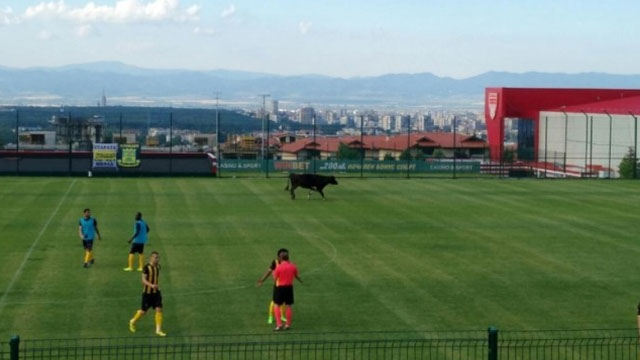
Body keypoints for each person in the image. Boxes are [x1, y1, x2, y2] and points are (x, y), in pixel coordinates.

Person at [128, 251, 166, 337]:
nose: (157, 259)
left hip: (156, 293)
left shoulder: (158, 267)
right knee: (143, 312)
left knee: (159, 309)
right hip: (147, 294)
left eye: (158, 258)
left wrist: (157, 286)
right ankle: (132, 321)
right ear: (151, 258)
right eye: (156, 257)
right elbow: (143, 280)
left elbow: (155, 278)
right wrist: (152, 285)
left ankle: (158, 330)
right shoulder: (146, 268)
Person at [271, 249, 303, 331]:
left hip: (280, 288)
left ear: (281, 258)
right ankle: (288, 324)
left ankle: (279, 325)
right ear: (288, 257)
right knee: (289, 306)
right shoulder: (293, 266)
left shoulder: (278, 267)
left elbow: (274, 279)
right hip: (289, 288)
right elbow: (297, 276)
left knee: (277, 305)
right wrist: (302, 281)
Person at [256, 249, 288, 324]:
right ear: (279, 256)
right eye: (283, 254)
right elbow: (269, 271)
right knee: (274, 302)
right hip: (278, 285)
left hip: (285, 285)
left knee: (283, 302)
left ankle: (282, 316)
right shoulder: (275, 262)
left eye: (286, 254)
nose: (285, 256)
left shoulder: (287, 262)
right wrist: (262, 280)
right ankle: (270, 316)